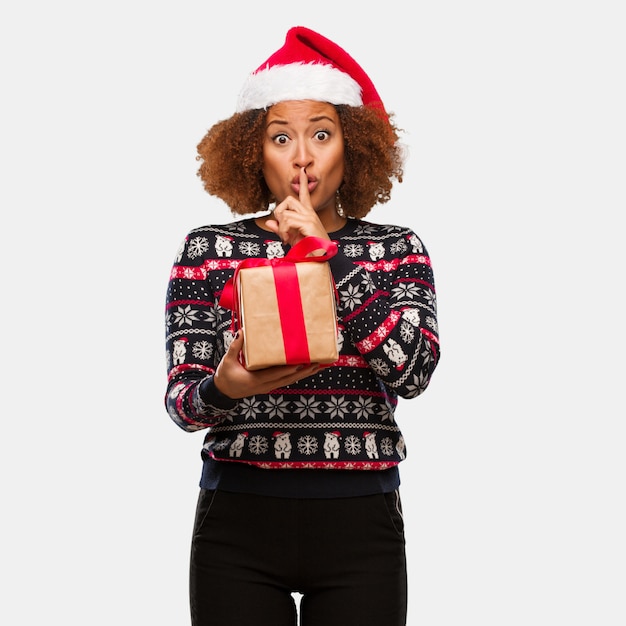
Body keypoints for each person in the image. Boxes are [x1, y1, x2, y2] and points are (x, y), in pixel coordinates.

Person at [164, 26, 440, 626]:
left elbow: (414, 371)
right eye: (280, 137)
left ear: (354, 145)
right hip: (237, 521)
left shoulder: (395, 250)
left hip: (360, 525)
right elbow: (183, 404)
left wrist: (330, 254)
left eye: (321, 134)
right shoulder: (209, 249)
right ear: (250, 150)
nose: (302, 157)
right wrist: (226, 387)